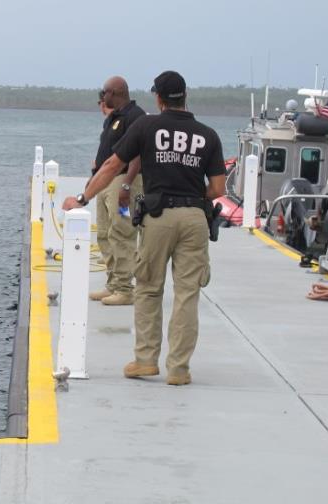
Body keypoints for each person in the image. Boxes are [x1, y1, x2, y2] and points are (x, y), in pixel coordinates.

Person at [62, 71, 226, 386]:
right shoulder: (208, 135)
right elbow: (217, 188)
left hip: (158, 215)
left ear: (159, 98)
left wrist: (82, 198)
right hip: (194, 218)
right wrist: (192, 197)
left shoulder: (147, 126)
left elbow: (112, 165)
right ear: (185, 96)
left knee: (150, 289)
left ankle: (146, 361)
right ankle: (179, 369)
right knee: (187, 294)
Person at [89, 76, 146, 306]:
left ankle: (125, 288)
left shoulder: (135, 117)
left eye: (104, 93)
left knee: (122, 232)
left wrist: (126, 185)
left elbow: (138, 154)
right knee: (105, 233)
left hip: (123, 184)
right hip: (106, 183)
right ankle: (113, 282)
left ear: (115, 92)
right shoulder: (113, 117)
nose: (102, 97)